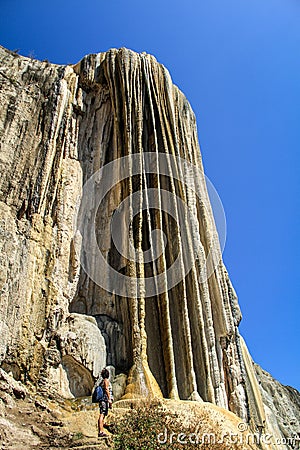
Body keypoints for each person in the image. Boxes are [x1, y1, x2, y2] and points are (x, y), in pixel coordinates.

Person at [95, 367, 113, 438]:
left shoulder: (101, 382)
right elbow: (106, 389)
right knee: (102, 414)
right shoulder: (106, 381)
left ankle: (101, 430)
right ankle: (101, 431)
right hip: (104, 399)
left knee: (103, 414)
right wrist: (109, 399)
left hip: (103, 400)